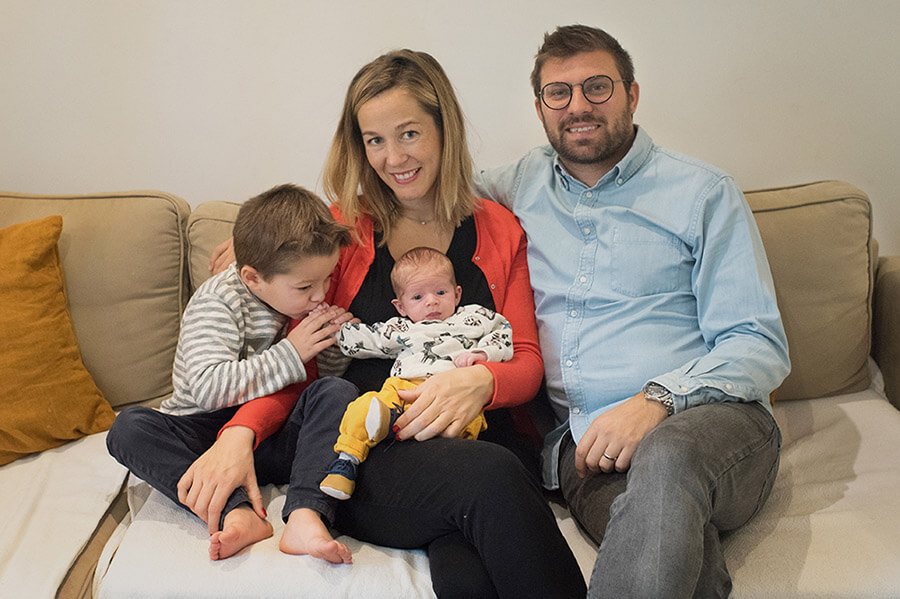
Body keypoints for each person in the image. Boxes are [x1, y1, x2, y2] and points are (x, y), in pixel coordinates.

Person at [209, 50, 586, 598]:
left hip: (480, 440)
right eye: (375, 140)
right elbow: (302, 357)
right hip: (369, 451)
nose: (393, 158)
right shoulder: (339, 230)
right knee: (489, 480)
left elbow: (526, 359)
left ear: (443, 130)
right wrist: (239, 432)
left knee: (469, 563)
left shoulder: (499, 228)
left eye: (409, 133)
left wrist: (484, 382)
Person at [474, 24, 791, 598]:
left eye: (598, 87)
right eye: (559, 93)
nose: (578, 107)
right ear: (540, 107)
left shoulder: (702, 193)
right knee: (683, 563)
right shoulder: (516, 185)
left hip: (716, 426)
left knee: (668, 455)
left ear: (631, 94)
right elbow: (422, 191)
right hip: (587, 448)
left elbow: (758, 344)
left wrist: (656, 401)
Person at [107, 183, 360, 564]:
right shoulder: (218, 301)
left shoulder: (297, 299)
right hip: (205, 432)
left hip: (269, 437)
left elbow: (309, 381)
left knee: (336, 391)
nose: (320, 295)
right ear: (253, 277)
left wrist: (334, 344)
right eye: (306, 286)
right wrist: (293, 351)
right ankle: (235, 511)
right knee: (128, 428)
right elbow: (210, 388)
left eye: (327, 279)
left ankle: (307, 514)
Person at [319, 246, 512, 499]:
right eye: (418, 298)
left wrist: (482, 355)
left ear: (457, 294)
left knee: (469, 419)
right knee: (364, 406)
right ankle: (346, 461)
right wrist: (334, 329)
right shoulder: (400, 328)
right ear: (400, 307)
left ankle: (403, 434)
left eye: (440, 292)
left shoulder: (474, 317)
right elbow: (369, 339)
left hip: (453, 393)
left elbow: (504, 334)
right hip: (403, 388)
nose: (431, 301)